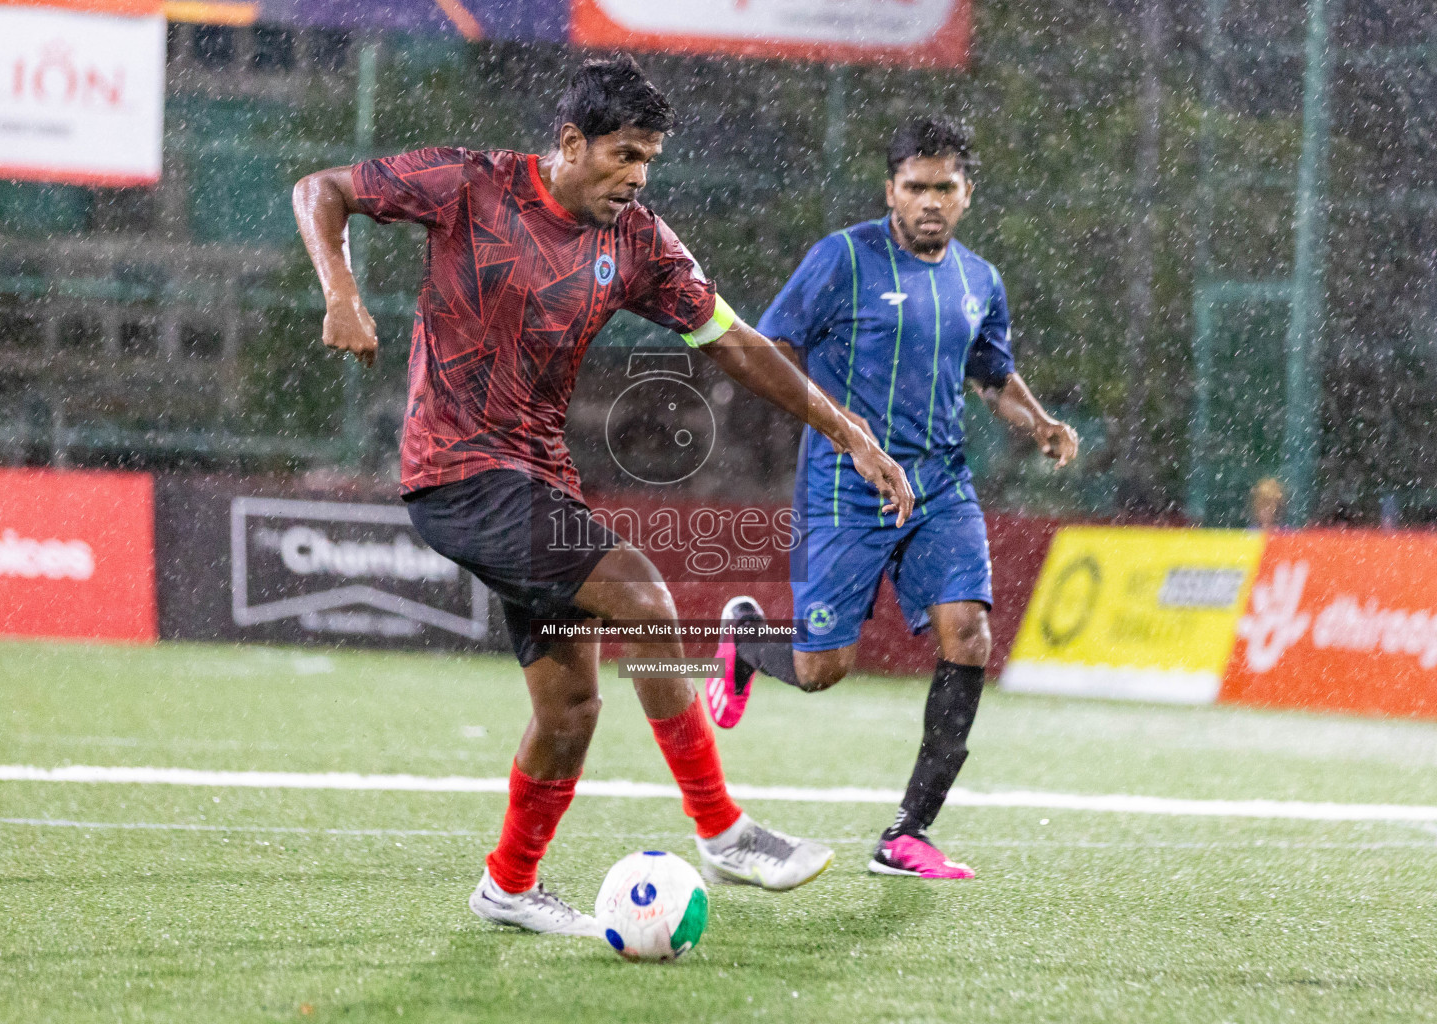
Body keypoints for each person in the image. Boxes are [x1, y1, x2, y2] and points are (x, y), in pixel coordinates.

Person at [292, 55, 915, 935]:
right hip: (457, 472)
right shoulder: (469, 183)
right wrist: (341, 292)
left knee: (571, 708)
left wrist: (848, 432)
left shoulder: (640, 245)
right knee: (642, 595)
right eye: (623, 155)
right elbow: (320, 188)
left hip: (540, 478)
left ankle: (508, 886)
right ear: (571, 142)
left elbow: (734, 343)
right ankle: (724, 830)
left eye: (649, 160)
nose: (637, 177)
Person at [705, 117, 1079, 881]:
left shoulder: (981, 282)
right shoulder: (841, 259)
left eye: (945, 186)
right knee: (821, 671)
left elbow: (990, 373)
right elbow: (770, 350)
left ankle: (908, 833)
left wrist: (1037, 422)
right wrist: (841, 430)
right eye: (916, 187)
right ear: (891, 192)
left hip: (940, 483)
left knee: (968, 633)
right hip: (844, 487)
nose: (930, 201)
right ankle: (746, 643)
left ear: (967, 194)